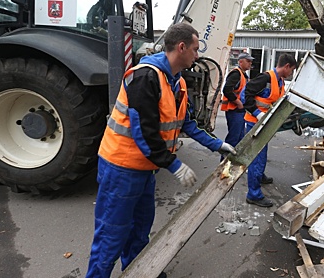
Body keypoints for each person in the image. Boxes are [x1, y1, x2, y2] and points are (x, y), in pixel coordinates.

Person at [85, 23, 236, 278]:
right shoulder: (145, 77)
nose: (197, 56)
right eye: (195, 50)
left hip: (144, 169)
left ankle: (138, 270)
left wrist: (217, 144)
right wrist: (174, 165)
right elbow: (144, 132)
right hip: (121, 168)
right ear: (181, 47)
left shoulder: (177, 81)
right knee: (112, 234)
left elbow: (187, 123)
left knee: (140, 228)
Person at [243, 53, 297, 207]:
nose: (291, 74)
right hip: (255, 123)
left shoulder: (279, 81)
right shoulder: (265, 78)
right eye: (291, 70)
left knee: (262, 154)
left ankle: (259, 177)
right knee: (256, 158)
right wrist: (256, 112)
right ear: (286, 66)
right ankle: (253, 194)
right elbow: (247, 94)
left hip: (264, 125)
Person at [220, 52, 254, 156]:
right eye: (248, 61)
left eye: (250, 61)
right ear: (240, 61)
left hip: (239, 111)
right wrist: (238, 103)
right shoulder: (236, 74)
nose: (250, 63)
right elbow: (227, 90)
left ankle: (231, 163)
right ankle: (225, 163)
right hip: (234, 110)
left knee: (239, 138)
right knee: (233, 139)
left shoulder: (243, 75)